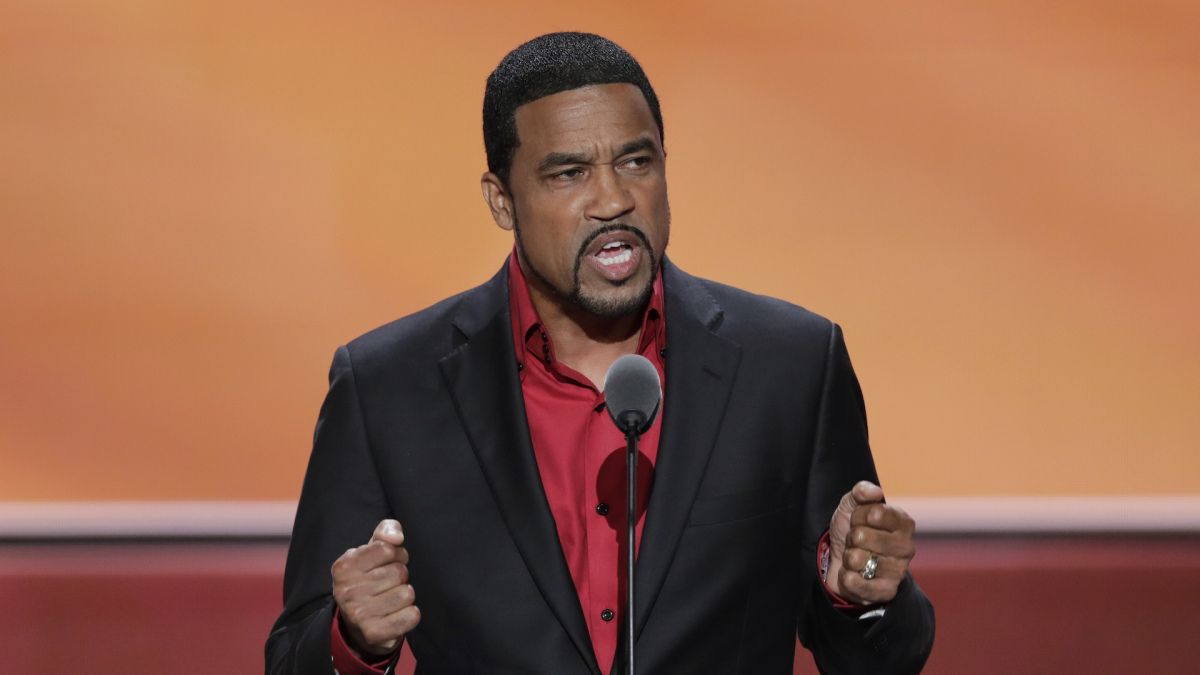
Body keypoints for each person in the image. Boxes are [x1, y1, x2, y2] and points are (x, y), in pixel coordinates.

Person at [266, 32, 935, 675]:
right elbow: (295, 653)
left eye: (636, 162)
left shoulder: (790, 365)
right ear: (502, 201)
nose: (613, 200)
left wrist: (863, 591)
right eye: (569, 173)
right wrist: (354, 638)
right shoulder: (387, 388)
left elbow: (877, 657)